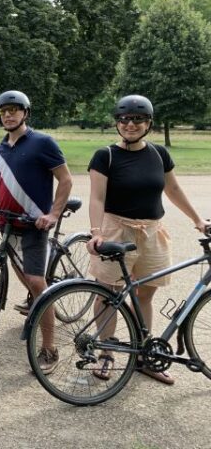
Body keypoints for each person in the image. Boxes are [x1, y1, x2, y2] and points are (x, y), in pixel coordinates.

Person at [87, 94, 210, 385]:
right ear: (117, 122)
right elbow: (96, 197)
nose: (130, 124)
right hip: (116, 229)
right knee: (109, 293)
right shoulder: (106, 155)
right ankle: (106, 352)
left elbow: (174, 189)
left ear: (148, 123)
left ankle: (143, 355)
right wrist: (96, 232)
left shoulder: (158, 154)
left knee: (146, 293)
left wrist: (197, 220)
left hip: (152, 231)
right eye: (124, 119)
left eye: (137, 119)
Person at [0, 90, 72, 375]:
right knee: (26, 280)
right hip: (8, 224)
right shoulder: (0, 149)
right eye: (3, 111)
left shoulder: (42, 142)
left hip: (34, 225)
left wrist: (53, 214)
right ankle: (37, 308)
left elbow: (65, 179)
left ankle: (49, 347)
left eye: (14, 110)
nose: (8, 115)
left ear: (25, 113)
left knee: (38, 284)